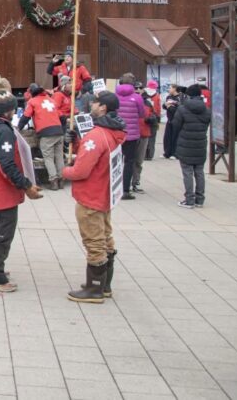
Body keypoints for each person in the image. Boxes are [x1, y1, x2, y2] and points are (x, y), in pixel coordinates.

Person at [0, 95, 44, 292]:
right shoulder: (2, 131)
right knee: (2, 234)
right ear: (10, 111)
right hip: (1, 191)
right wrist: (26, 185)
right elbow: (6, 163)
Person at [62, 92, 126, 304]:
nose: (92, 104)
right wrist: (78, 142)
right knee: (105, 236)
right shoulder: (113, 133)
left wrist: (64, 171)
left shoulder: (97, 135)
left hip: (91, 194)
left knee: (94, 241)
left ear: (103, 108)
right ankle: (105, 284)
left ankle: (95, 288)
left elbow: (81, 170)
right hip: (105, 193)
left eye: (96, 102)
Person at [19, 83, 66, 190]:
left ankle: (53, 181)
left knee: (48, 157)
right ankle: (61, 180)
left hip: (46, 133)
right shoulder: (51, 100)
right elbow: (62, 118)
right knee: (59, 156)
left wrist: (18, 128)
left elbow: (26, 116)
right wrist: (62, 130)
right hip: (58, 131)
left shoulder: (32, 101)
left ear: (32, 93)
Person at [171, 84, 211, 208]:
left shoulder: (182, 109)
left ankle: (189, 199)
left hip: (185, 144)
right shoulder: (207, 110)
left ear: (188, 95)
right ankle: (200, 199)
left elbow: (175, 126)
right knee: (199, 171)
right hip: (200, 144)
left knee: (187, 172)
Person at [114, 74, 145, 201]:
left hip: (117, 133)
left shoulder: (114, 96)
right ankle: (125, 190)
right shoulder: (137, 97)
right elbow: (142, 114)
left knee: (116, 160)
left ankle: (114, 186)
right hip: (132, 134)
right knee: (129, 161)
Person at [133, 88, 157, 193]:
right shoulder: (126, 101)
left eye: (140, 88)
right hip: (130, 134)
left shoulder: (147, 103)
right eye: (135, 88)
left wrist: (152, 119)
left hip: (143, 134)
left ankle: (135, 182)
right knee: (129, 161)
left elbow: (154, 116)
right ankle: (126, 183)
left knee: (139, 160)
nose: (138, 90)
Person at [162, 85, 182, 158]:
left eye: (170, 88)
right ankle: (167, 152)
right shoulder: (169, 97)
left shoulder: (179, 97)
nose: (169, 89)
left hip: (176, 121)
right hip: (169, 120)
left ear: (174, 89)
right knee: (167, 137)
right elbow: (164, 106)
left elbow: (177, 109)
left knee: (175, 137)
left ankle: (175, 153)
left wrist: (169, 107)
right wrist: (166, 105)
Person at [144, 81, 162, 160]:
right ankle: (150, 155)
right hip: (153, 118)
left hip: (145, 118)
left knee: (144, 136)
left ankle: (144, 154)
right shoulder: (157, 95)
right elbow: (158, 108)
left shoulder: (144, 94)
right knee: (152, 137)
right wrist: (158, 119)